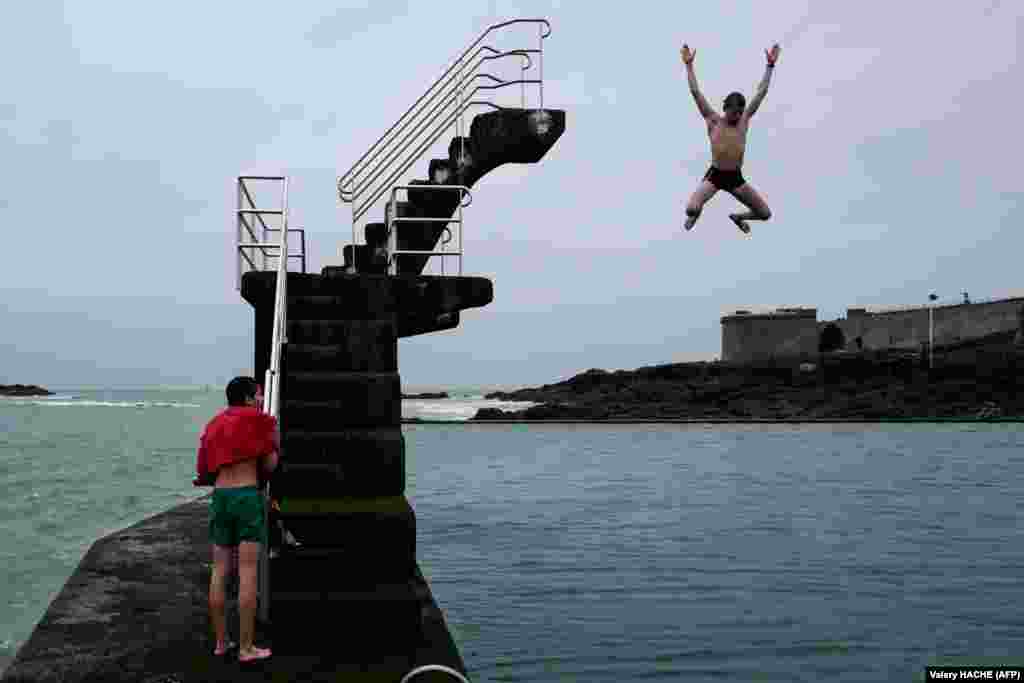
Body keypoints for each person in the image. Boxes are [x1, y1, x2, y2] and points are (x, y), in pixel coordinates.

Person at [195, 376, 280, 663]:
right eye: (256, 395)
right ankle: (246, 648)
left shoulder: (213, 424)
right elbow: (269, 464)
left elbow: (204, 469)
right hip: (246, 496)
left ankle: (221, 643)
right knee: (247, 572)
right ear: (246, 398)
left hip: (220, 497)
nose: (259, 399)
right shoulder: (260, 421)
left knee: (219, 571)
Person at [681, 43, 780, 234]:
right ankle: (695, 215)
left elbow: (761, 92)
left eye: (740, 113)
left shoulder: (744, 121)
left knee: (765, 214)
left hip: (735, 178)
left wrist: (769, 66)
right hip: (715, 176)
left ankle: (738, 217)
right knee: (691, 208)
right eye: (734, 113)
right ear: (726, 109)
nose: (737, 116)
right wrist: (689, 65)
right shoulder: (713, 120)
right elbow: (695, 92)